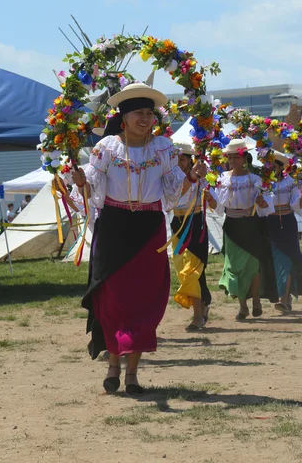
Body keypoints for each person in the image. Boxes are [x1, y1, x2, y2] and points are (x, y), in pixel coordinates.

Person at [72, 83, 207, 396]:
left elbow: (173, 189)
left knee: (144, 301)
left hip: (149, 228)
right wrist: (82, 181)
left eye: (149, 113)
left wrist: (192, 176)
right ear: (124, 116)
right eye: (138, 113)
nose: (145, 118)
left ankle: (132, 373)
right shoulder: (106, 147)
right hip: (114, 228)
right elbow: (93, 185)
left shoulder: (162, 148)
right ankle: (113, 366)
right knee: (112, 300)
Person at [204, 139, 279, 320]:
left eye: (235, 157)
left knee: (253, 266)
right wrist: (210, 200)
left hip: (251, 225)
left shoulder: (255, 179)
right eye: (229, 157)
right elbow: (219, 207)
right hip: (232, 226)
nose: (232, 161)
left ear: (245, 157)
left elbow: (266, 204)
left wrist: (262, 202)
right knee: (234, 267)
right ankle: (243, 306)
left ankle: (256, 302)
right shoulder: (222, 178)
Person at [171, 143, 212, 331]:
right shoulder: (169, 178)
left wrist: (209, 197)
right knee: (184, 270)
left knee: (192, 271)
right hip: (177, 226)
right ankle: (203, 303)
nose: (179, 162)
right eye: (176, 158)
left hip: (196, 225)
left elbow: (215, 204)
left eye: (183, 159)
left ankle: (197, 317)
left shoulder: (201, 179)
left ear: (189, 160)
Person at [266, 153, 302, 313]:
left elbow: (297, 206)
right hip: (269, 224)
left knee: (289, 260)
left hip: (286, 224)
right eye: (268, 166)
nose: (271, 169)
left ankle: (284, 299)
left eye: (274, 166)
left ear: (280, 167)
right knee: (277, 262)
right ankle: (285, 296)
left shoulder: (290, 183)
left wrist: (301, 199)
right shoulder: (263, 183)